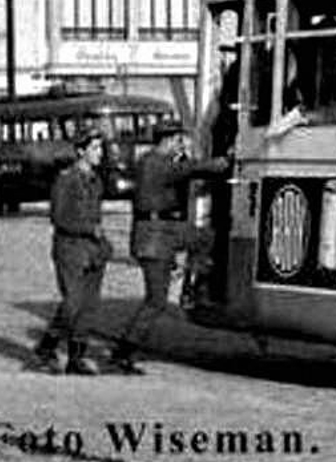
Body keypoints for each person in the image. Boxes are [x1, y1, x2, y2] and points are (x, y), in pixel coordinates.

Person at [109, 122, 225, 373]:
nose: (180, 145)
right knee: (156, 301)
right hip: (155, 236)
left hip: (163, 232)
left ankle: (193, 281)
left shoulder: (149, 161)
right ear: (167, 140)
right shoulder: (155, 164)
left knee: (205, 237)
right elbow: (189, 170)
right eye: (178, 140)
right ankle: (124, 351)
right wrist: (219, 164)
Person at [32, 130, 111, 375]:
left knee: (89, 305)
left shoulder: (96, 180)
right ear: (81, 151)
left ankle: (77, 357)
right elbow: (58, 217)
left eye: (101, 148)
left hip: (93, 249)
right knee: (72, 302)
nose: (101, 153)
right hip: (70, 247)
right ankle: (47, 346)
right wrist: (91, 229)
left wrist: (104, 244)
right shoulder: (66, 179)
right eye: (95, 148)